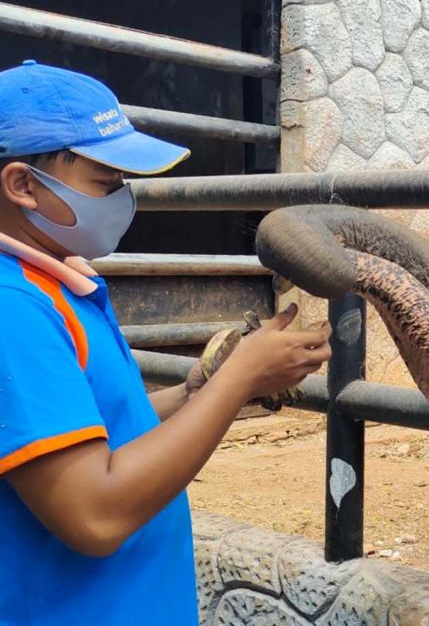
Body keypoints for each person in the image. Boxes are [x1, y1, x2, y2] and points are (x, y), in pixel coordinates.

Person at [0, 61, 331, 625]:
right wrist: (238, 380)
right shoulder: (15, 312)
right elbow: (94, 514)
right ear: (23, 185)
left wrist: (195, 392)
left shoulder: (57, 282)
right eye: (106, 184)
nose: (122, 199)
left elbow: (96, 428)